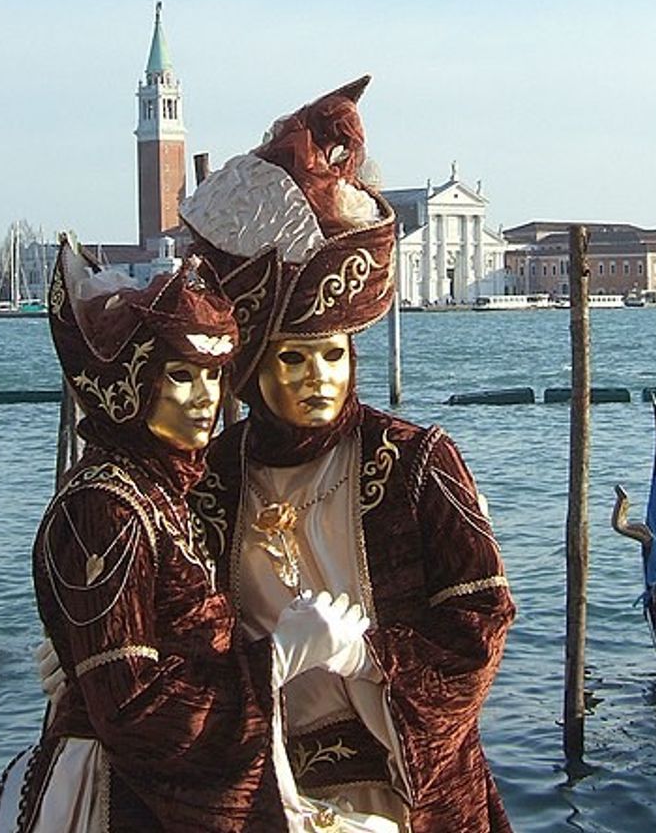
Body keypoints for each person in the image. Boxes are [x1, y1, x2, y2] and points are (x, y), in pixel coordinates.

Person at [179, 77, 516, 833]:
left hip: (409, 791)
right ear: (252, 371)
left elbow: (480, 619)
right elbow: (184, 634)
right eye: (292, 360)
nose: (318, 379)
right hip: (270, 786)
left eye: (331, 355)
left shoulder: (416, 461)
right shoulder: (211, 480)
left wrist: (371, 659)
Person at [0, 237, 397, 833]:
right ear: (130, 386)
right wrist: (276, 660)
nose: (208, 399)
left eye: (215, 375)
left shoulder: (162, 493)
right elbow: (131, 708)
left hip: (169, 786)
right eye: (181, 375)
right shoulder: (105, 507)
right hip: (124, 797)